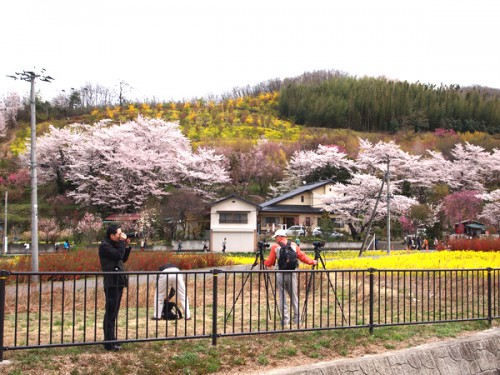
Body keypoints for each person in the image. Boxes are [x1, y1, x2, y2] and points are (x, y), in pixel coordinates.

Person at [264, 229, 317, 326]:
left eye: (276, 237)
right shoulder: (293, 245)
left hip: (281, 274)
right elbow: (302, 257)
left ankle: (285, 321)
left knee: (282, 298)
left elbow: (270, 262)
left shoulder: (275, 247)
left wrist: (264, 261)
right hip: (292, 273)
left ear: (280, 236)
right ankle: (297, 320)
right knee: (294, 297)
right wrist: (312, 262)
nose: (275, 239)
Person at [99, 224, 132, 351]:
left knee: (114, 312)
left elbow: (122, 259)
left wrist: (126, 245)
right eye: (119, 234)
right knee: (110, 312)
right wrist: (122, 244)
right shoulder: (104, 246)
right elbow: (118, 255)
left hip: (118, 282)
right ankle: (108, 342)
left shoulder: (114, 245)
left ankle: (111, 338)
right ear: (111, 235)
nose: (121, 235)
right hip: (112, 283)